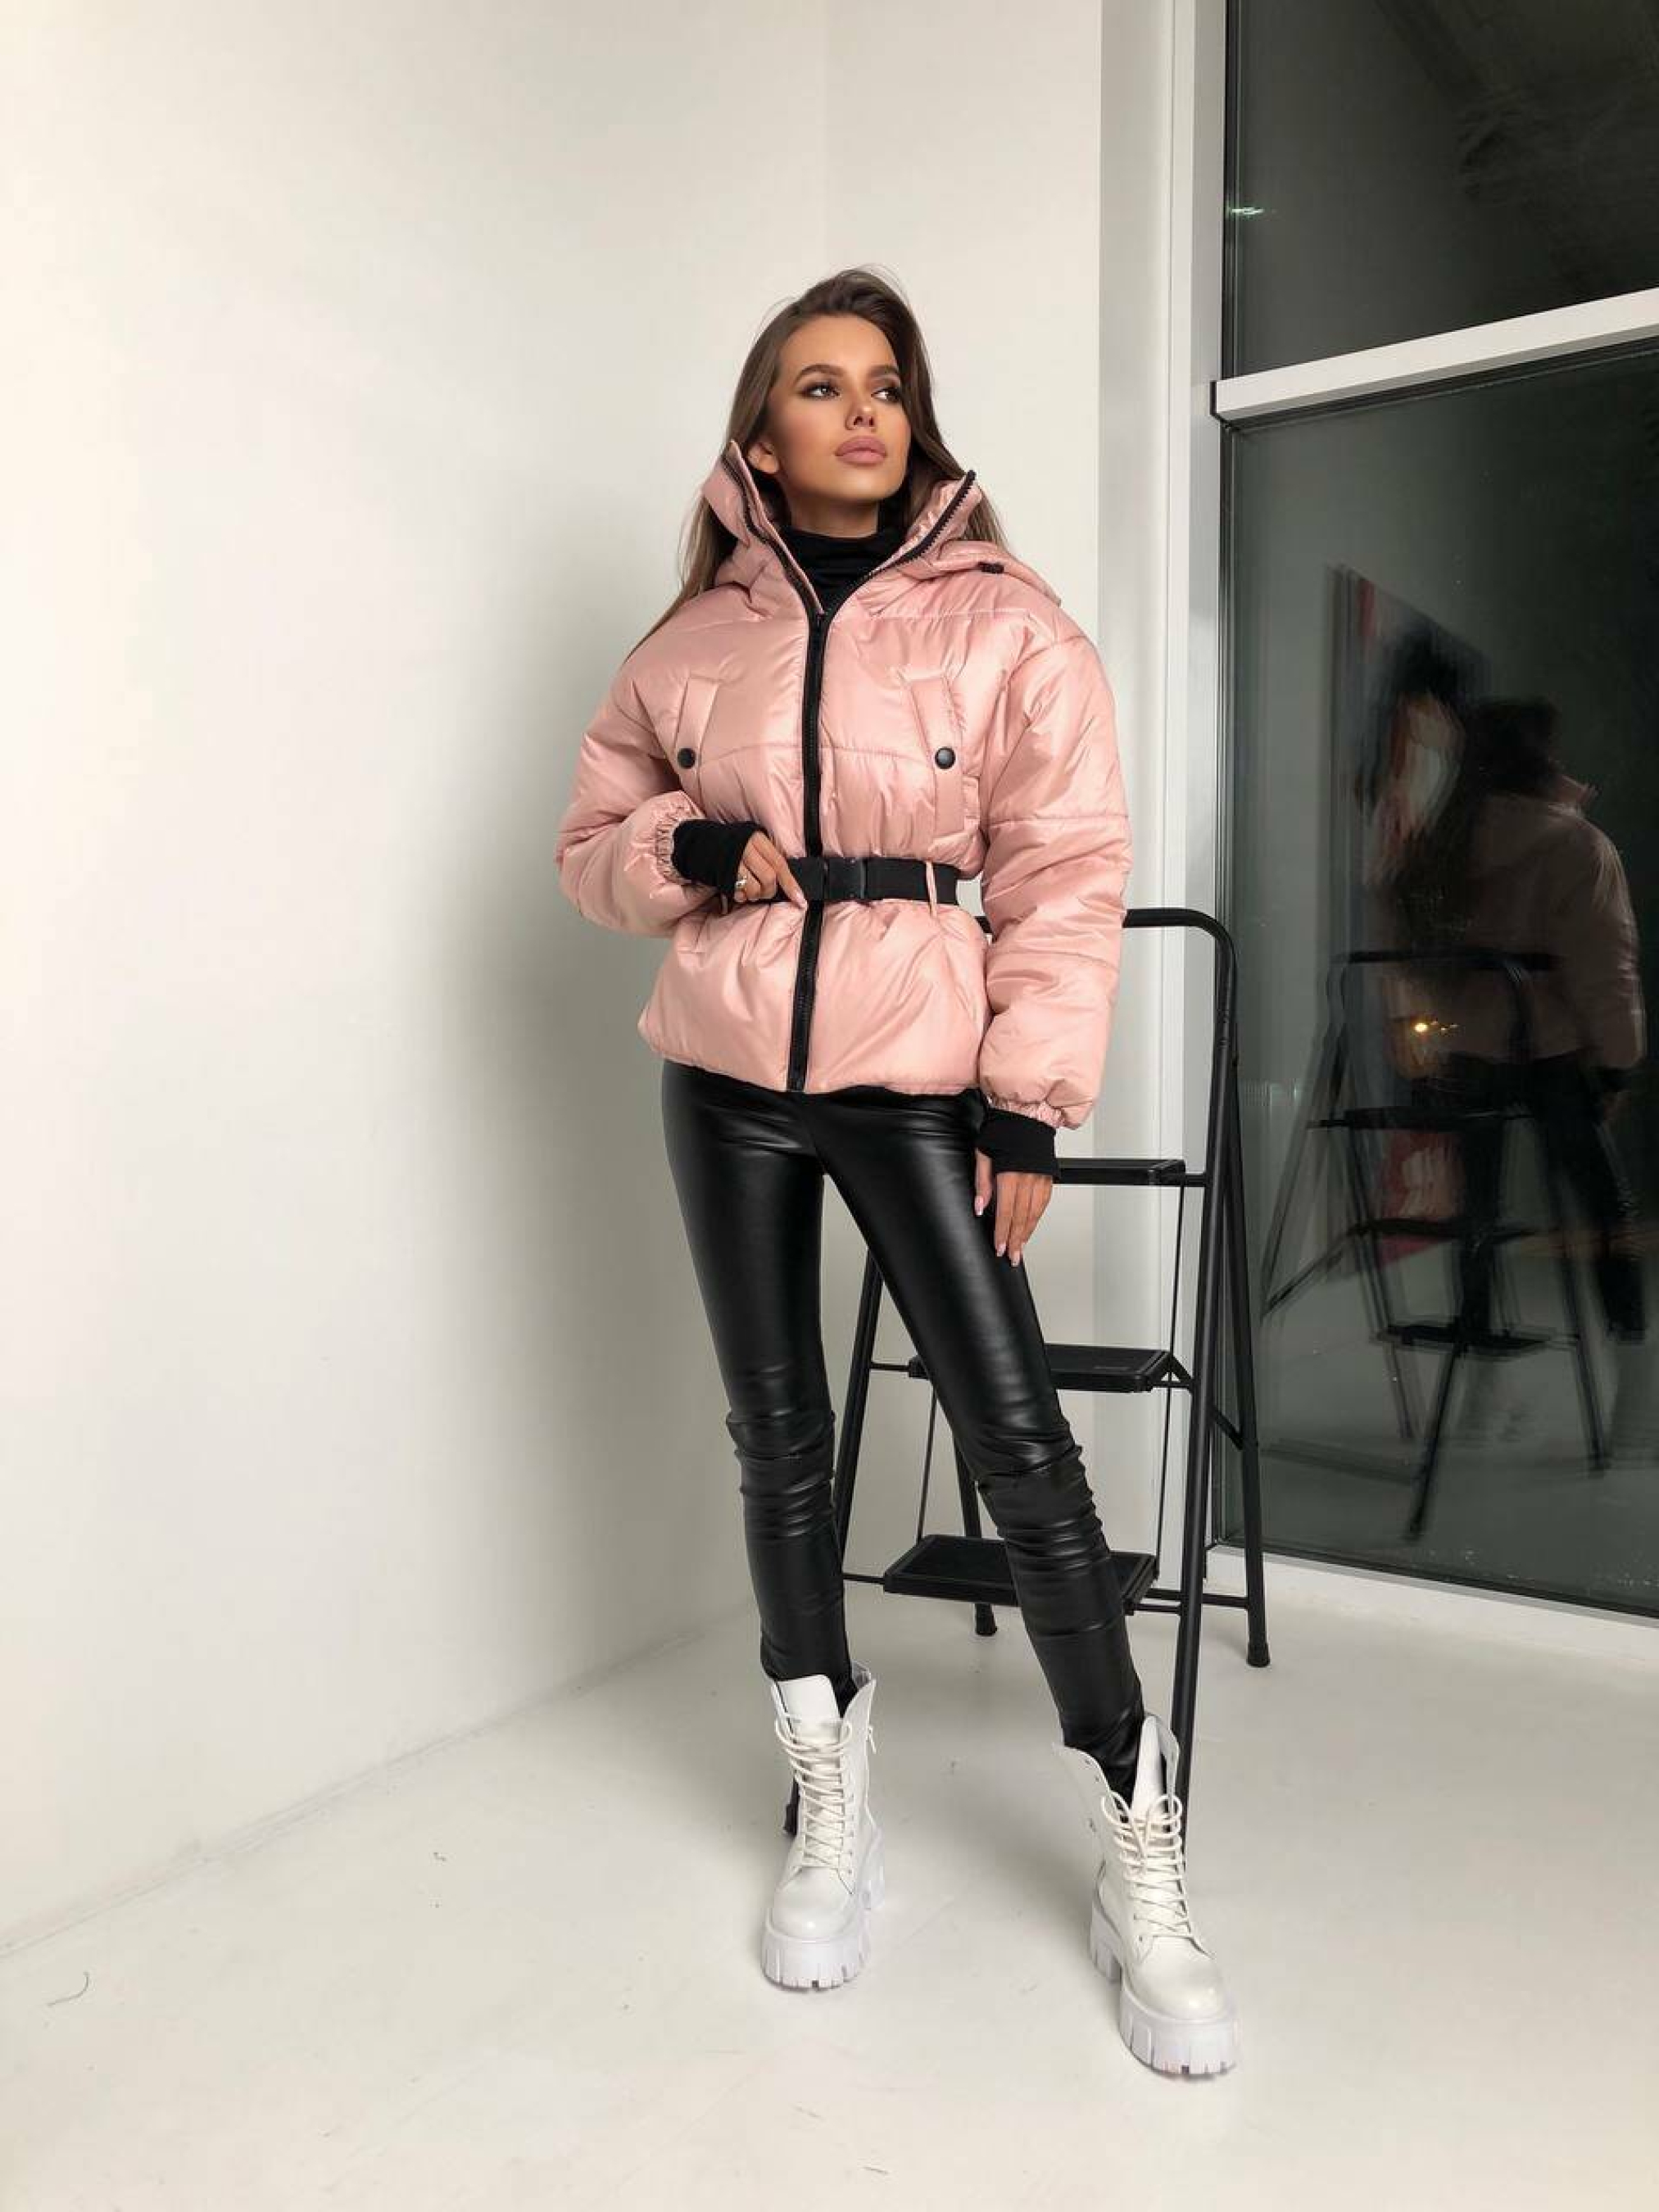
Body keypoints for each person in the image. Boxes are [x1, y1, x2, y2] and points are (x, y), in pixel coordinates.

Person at [554, 267, 1239, 2077]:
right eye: (817, 384)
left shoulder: (1009, 621)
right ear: (760, 430)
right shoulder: (688, 641)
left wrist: (1025, 1103)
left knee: (1016, 1443)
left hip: (919, 1078)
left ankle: (1133, 1831)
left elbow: (1066, 865)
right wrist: (687, 848)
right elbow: (589, 846)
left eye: (883, 384)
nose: (859, 411)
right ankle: (827, 1784)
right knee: (777, 1438)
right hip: (723, 1077)